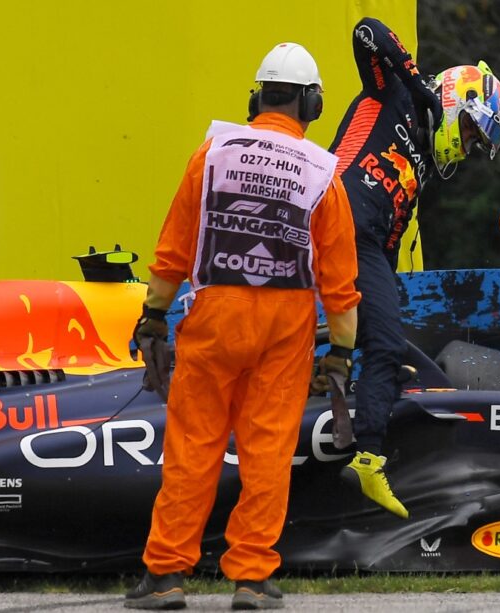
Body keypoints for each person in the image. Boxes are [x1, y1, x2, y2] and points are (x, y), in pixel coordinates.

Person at [125, 42, 360, 610]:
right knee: (268, 453)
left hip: (214, 319)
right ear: (313, 104)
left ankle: (166, 577)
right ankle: (251, 579)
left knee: (192, 448)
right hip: (285, 328)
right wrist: (341, 356)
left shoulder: (211, 153)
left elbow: (173, 250)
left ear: (257, 96)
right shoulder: (324, 174)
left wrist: (154, 316)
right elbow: (341, 283)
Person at [323, 17, 500, 520]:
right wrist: (413, 82)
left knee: (386, 341)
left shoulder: (423, 165)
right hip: (332, 216)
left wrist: (383, 306)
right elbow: (364, 29)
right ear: (455, 101)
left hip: (355, 244)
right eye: (472, 131)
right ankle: (369, 458)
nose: (468, 146)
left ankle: (352, 433)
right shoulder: (393, 95)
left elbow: (388, 242)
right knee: (384, 343)